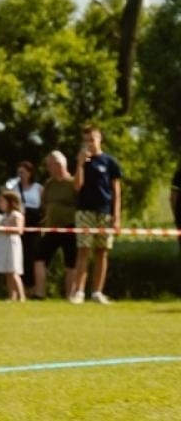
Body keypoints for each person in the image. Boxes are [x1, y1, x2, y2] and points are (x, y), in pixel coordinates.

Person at [68, 124, 122, 305]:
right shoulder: (82, 161)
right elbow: (76, 187)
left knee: (102, 252)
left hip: (104, 211)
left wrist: (116, 215)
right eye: (86, 141)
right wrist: (80, 164)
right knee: (83, 251)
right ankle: (79, 292)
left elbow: (116, 190)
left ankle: (97, 292)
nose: (89, 144)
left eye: (92, 139)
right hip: (84, 211)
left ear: (100, 139)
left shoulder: (110, 162)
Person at [37, 150, 79, 299]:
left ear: (59, 165)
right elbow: (44, 203)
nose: (48, 169)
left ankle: (70, 295)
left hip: (70, 227)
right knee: (39, 258)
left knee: (71, 263)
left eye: (50, 165)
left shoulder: (73, 183)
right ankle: (40, 293)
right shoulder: (49, 184)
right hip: (51, 228)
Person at [7, 160, 45, 300]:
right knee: (19, 258)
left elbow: (43, 206)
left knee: (33, 257)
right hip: (20, 225)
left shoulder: (38, 188)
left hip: (34, 226)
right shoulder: (14, 188)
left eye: (23, 172)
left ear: (30, 173)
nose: (21, 175)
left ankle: (34, 289)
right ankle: (17, 291)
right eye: (19, 172)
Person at [0, 188, 26, 301]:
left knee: (14, 271)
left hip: (12, 244)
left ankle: (22, 296)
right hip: (3, 244)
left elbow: (19, 230)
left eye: (2, 201)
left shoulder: (16, 215)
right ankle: (12, 296)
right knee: (8, 272)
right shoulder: (3, 216)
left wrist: (4, 230)